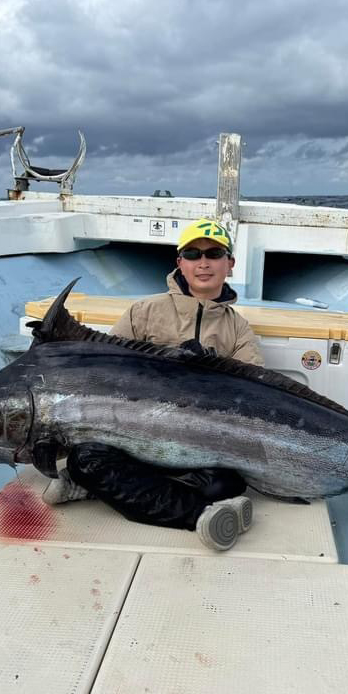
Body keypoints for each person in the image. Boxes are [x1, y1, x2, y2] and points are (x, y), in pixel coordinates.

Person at [42, 218, 265, 551]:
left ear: (229, 264)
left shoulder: (239, 330)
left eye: (214, 254)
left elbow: (254, 391)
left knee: (226, 484)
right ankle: (202, 515)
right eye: (193, 254)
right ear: (180, 263)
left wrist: (213, 372)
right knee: (86, 458)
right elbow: (103, 368)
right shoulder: (144, 312)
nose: (203, 262)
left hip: (196, 444)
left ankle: (92, 488)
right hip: (130, 437)